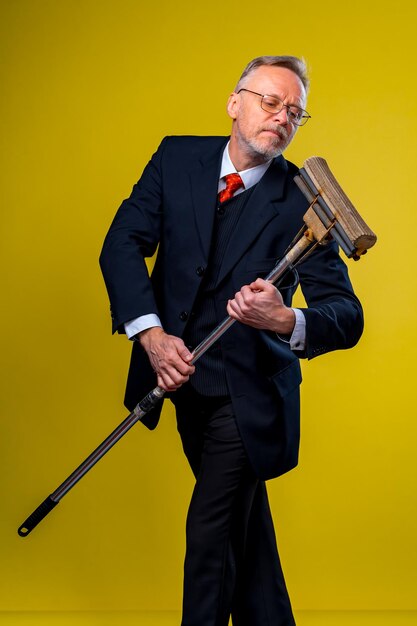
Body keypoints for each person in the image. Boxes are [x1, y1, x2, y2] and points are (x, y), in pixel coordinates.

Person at [100, 55, 363, 626]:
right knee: (248, 544)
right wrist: (151, 336)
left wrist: (284, 320)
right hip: (184, 383)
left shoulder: (303, 202)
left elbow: (346, 314)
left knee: (211, 536)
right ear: (235, 102)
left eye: (295, 112)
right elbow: (122, 243)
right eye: (270, 102)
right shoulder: (175, 159)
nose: (282, 118)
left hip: (250, 401)